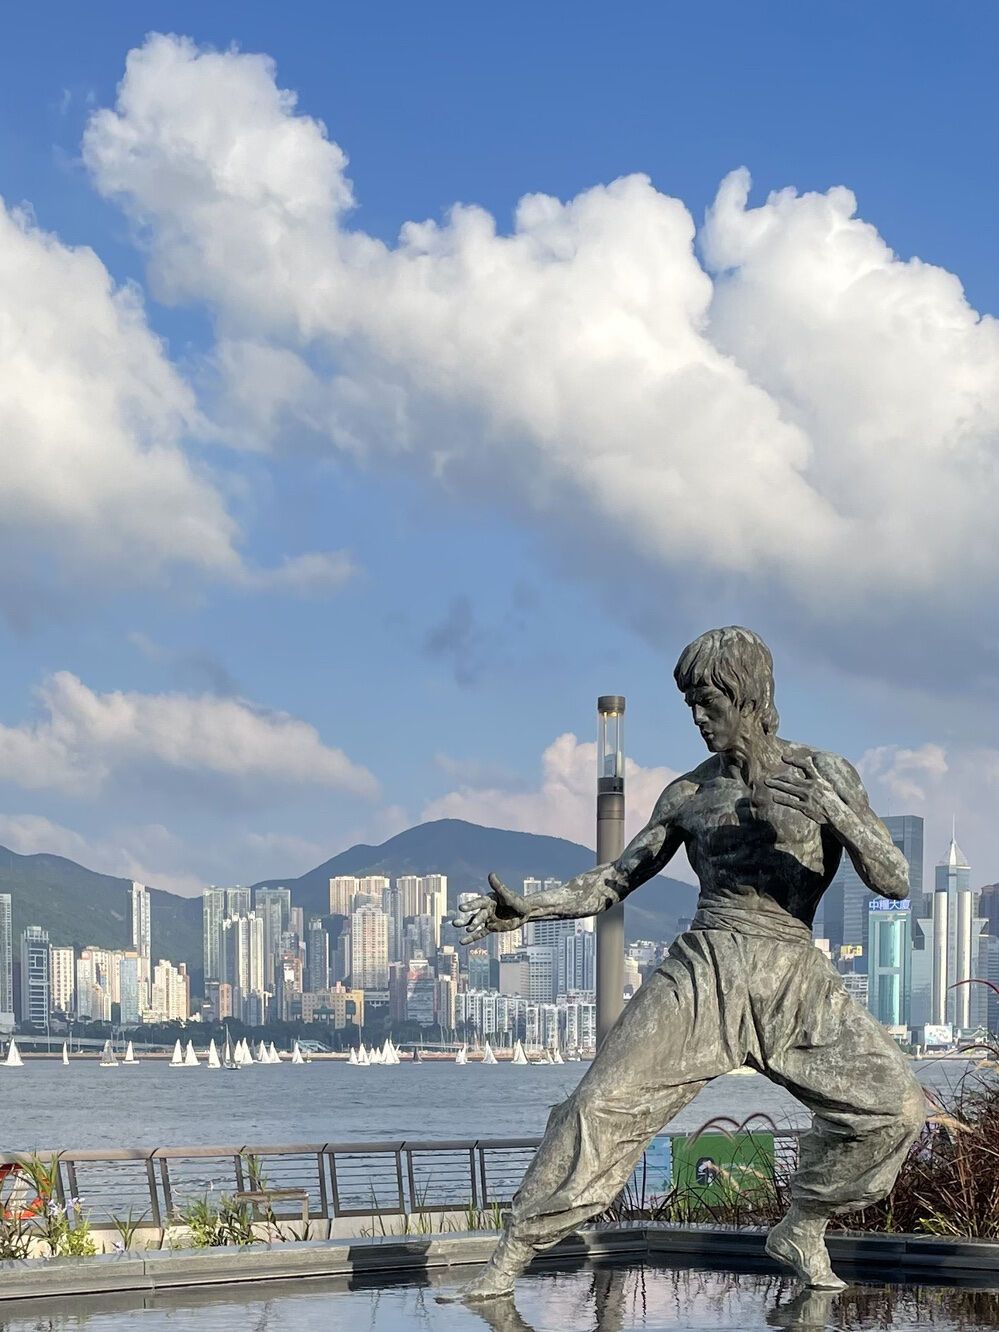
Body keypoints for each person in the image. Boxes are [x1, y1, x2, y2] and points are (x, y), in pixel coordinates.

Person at [441, 626, 926, 1302]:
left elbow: (894, 879)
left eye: (707, 702)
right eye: (690, 705)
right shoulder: (687, 794)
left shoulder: (824, 774)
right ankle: (505, 1263)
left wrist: (835, 812)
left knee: (895, 1110)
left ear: (747, 695)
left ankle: (803, 1224)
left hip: (793, 976)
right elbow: (613, 880)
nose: (697, 719)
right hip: (702, 971)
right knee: (596, 1105)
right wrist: (529, 907)